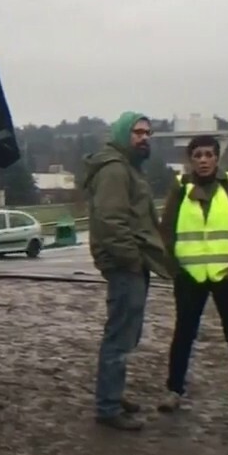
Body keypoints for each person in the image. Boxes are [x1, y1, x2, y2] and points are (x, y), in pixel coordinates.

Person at [81, 111, 171, 430]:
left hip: (131, 263)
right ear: (123, 134)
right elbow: (111, 221)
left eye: (148, 133)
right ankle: (107, 407)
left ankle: (113, 395)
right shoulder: (116, 170)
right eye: (138, 132)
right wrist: (132, 259)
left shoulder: (128, 168)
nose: (144, 138)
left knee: (126, 333)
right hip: (125, 265)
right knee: (119, 336)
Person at [157, 135, 228, 417]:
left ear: (217, 158)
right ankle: (174, 390)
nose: (203, 160)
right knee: (184, 333)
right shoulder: (180, 188)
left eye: (208, 155)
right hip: (190, 274)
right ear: (191, 160)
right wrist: (173, 265)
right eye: (198, 155)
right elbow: (167, 229)